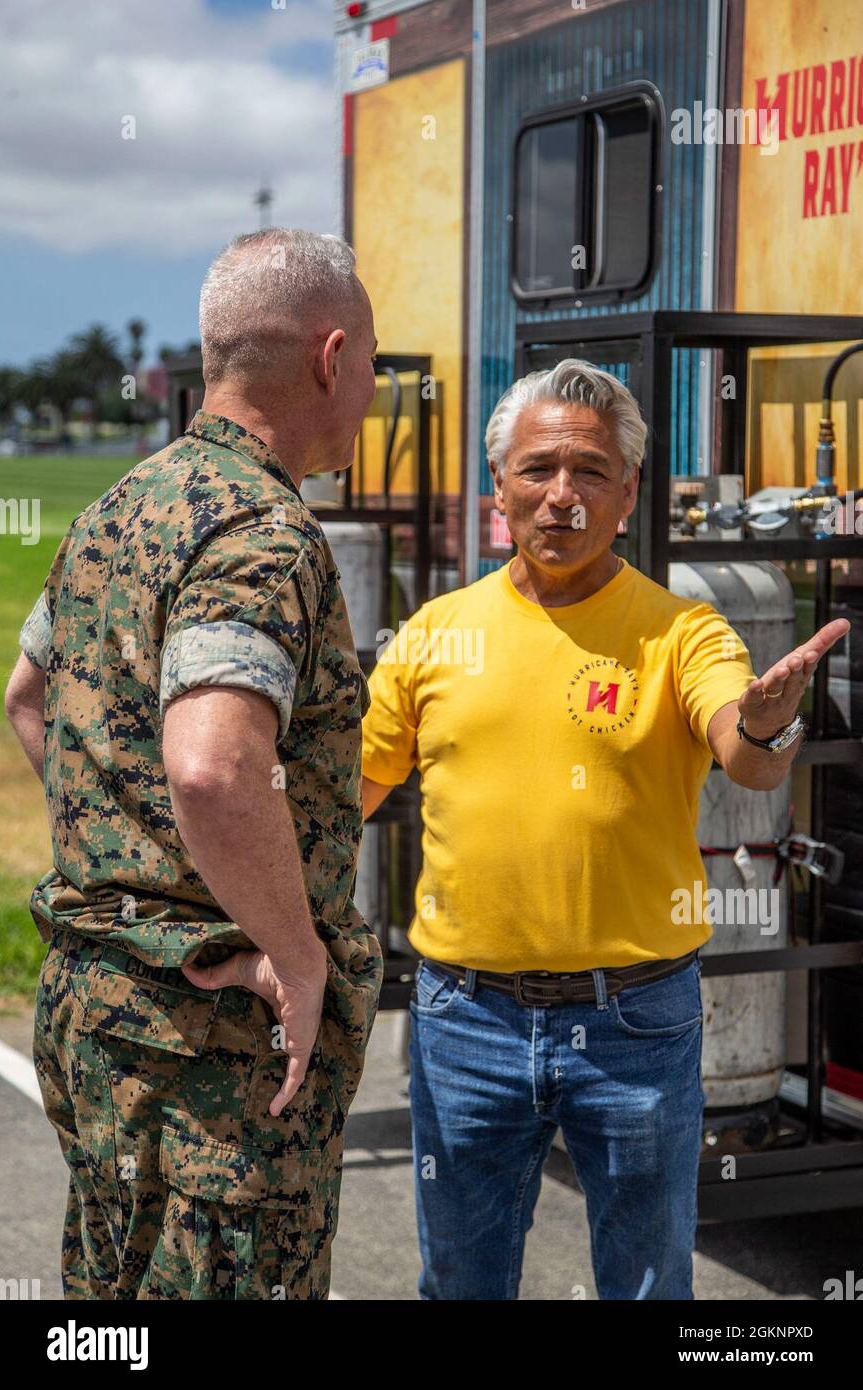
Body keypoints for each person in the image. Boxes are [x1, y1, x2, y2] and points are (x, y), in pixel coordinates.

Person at [361, 359, 849, 1301]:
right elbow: (350, 793)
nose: (561, 497)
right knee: (459, 1284)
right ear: (498, 487)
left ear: (629, 493)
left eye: (590, 472)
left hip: (635, 1020)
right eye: (538, 469)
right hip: (466, 1020)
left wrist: (764, 722)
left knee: (649, 1288)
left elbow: (746, 755)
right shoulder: (433, 636)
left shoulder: (682, 633)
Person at [4, 228, 383, 1300]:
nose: (368, 392)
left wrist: (143, 865)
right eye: (368, 368)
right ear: (329, 355)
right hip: (211, 1037)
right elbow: (214, 768)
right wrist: (295, 955)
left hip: (97, 1006)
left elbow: (30, 700)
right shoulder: (260, 531)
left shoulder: (117, 510)